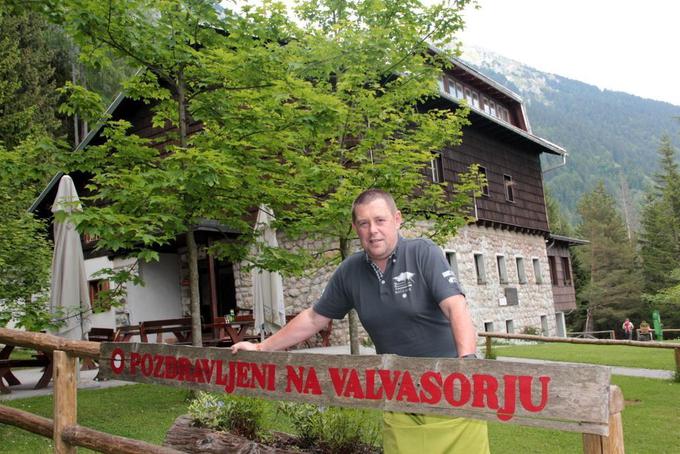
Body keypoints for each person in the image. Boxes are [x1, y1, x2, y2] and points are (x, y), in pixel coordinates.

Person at [231, 188, 490, 453]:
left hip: (453, 391)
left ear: (397, 219)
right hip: (401, 397)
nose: (373, 230)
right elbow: (313, 318)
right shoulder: (350, 271)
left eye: (380, 220)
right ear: (356, 228)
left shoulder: (423, 252)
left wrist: (466, 364)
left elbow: (456, 306)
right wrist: (262, 347)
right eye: (364, 223)